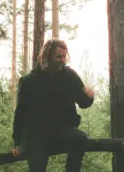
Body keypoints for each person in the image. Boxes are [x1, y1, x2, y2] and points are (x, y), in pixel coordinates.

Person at [11, 39, 94, 172]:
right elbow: (20, 113)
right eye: (58, 56)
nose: (63, 60)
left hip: (63, 130)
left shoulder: (70, 76)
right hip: (37, 134)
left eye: (64, 56)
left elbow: (83, 103)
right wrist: (19, 143)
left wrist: (90, 96)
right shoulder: (29, 82)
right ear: (48, 56)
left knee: (81, 138)